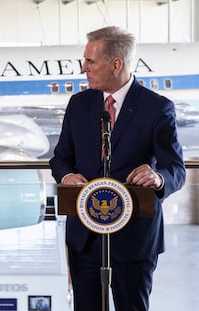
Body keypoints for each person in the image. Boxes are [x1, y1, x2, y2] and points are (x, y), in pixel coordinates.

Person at [49, 26, 185, 311]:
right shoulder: (78, 105)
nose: (83, 68)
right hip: (84, 238)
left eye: (90, 62)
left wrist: (158, 178)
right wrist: (66, 175)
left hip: (133, 240)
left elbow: (176, 169)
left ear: (116, 64)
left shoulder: (157, 108)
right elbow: (60, 158)